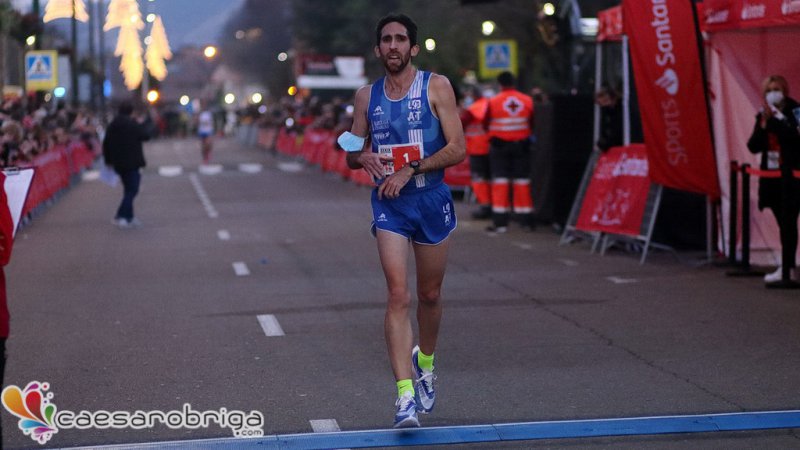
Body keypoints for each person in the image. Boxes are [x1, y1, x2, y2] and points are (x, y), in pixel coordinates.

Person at [340, 13, 465, 428]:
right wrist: (361, 156)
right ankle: (405, 395)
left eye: (400, 39)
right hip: (389, 205)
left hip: (430, 198)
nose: (392, 46)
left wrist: (411, 168)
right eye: (386, 40)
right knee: (398, 295)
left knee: (430, 294)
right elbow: (351, 149)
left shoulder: (436, 86)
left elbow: (458, 147)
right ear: (377, 49)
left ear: (413, 48)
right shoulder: (366, 96)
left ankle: (425, 363)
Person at [747, 75, 800, 284]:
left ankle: (788, 268)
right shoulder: (764, 114)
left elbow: (795, 136)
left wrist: (776, 122)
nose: (773, 94)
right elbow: (753, 146)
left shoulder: (796, 110)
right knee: (783, 223)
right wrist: (763, 125)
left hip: (792, 177)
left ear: (784, 90)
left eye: (776, 89)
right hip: (772, 177)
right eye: (769, 90)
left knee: (789, 223)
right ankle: (787, 267)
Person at [484, 71, 535, 233]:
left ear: (500, 84)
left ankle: (500, 222)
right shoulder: (527, 100)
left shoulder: (493, 101)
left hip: (499, 147)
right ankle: (525, 220)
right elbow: (533, 122)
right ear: (514, 82)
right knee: (522, 182)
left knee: (500, 182)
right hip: (522, 146)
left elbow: (486, 123)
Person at [102, 101, 152, 229]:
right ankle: (121, 215)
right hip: (132, 161)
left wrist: (108, 160)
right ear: (131, 112)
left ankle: (129, 216)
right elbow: (146, 136)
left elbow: (106, 143)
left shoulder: (113, 125)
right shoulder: (132, 124)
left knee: (128, 189)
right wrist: (143, 123)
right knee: (133, 189)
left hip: (118, 162)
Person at [462, 85, 493, 219]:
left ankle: (485, 206)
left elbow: (461, 124)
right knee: (492, 178)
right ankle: (497, 206)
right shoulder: (489, 104)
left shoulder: (473, 109)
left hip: (477, 148)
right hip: (492, 147)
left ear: (473, 95)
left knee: (479, 179)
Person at [595, 86, 623, 152]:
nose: (603, 105)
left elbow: (617, 131)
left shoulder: (620, 110)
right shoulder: (607, 111)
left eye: (605, 101)